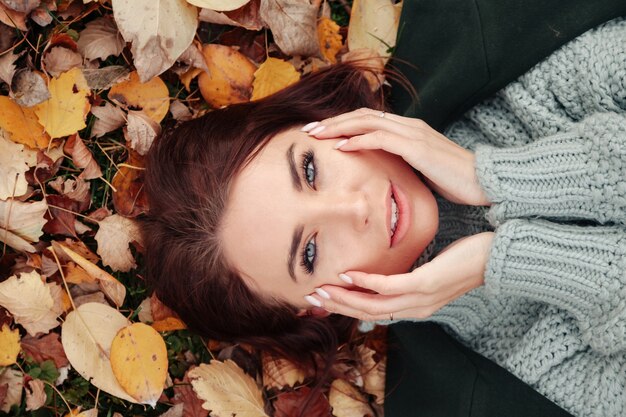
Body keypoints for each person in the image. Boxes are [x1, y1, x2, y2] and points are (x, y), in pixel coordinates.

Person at [141, 7, 625, 417]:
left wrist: (490, 177)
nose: (355, 207)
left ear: (318, 125)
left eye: (310, 170)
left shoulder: (487, 37)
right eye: (309, 252)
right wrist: (504, 259)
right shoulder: (504, 380)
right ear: (318, 304)